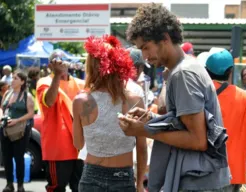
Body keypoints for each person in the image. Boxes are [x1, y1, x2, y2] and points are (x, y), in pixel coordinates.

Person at [119, 4, 231, 192]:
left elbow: (198, 140)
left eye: (146, 48)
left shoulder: (183, 74)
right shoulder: (181, 69)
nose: (145, 57)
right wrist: (153, 120)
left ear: (165, 38)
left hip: (198, 183)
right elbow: (184, 124)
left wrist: (144, 130)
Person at [72, 35, 148, 192]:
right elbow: (141, 148)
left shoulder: (81, 101)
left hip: (91, 176)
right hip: (123, 177)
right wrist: (140, 183)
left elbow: (78, 145)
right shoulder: (135, 101)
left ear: (91, 68)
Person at [203, 48, 246, 191]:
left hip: (202, 170)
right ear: (230, 71)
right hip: (232, 173)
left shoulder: (200, 94)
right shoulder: (245, 97)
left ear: (206, 70)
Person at [36, 50, 84, 192]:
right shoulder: (44, 82)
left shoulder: (80, 84)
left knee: (81, 188)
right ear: (50, 65)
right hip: (58, 147)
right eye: (56, 61)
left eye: (63, 60)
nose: (61, 63)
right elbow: (49, 101)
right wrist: (57, 76)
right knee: (56, 188)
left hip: (80, 147)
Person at [1, 71, 34, 192]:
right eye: (13, 78)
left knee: (19, 158)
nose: (12, 80)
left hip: (20, 131)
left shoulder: (27, 96)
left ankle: (20, 185)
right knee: (6, 158)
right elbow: (1, 108)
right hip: (5, 130)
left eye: (15, 78)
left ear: (22, 81)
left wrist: (16, 120)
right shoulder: (7, 94)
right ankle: (9, 184)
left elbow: (31, 113)